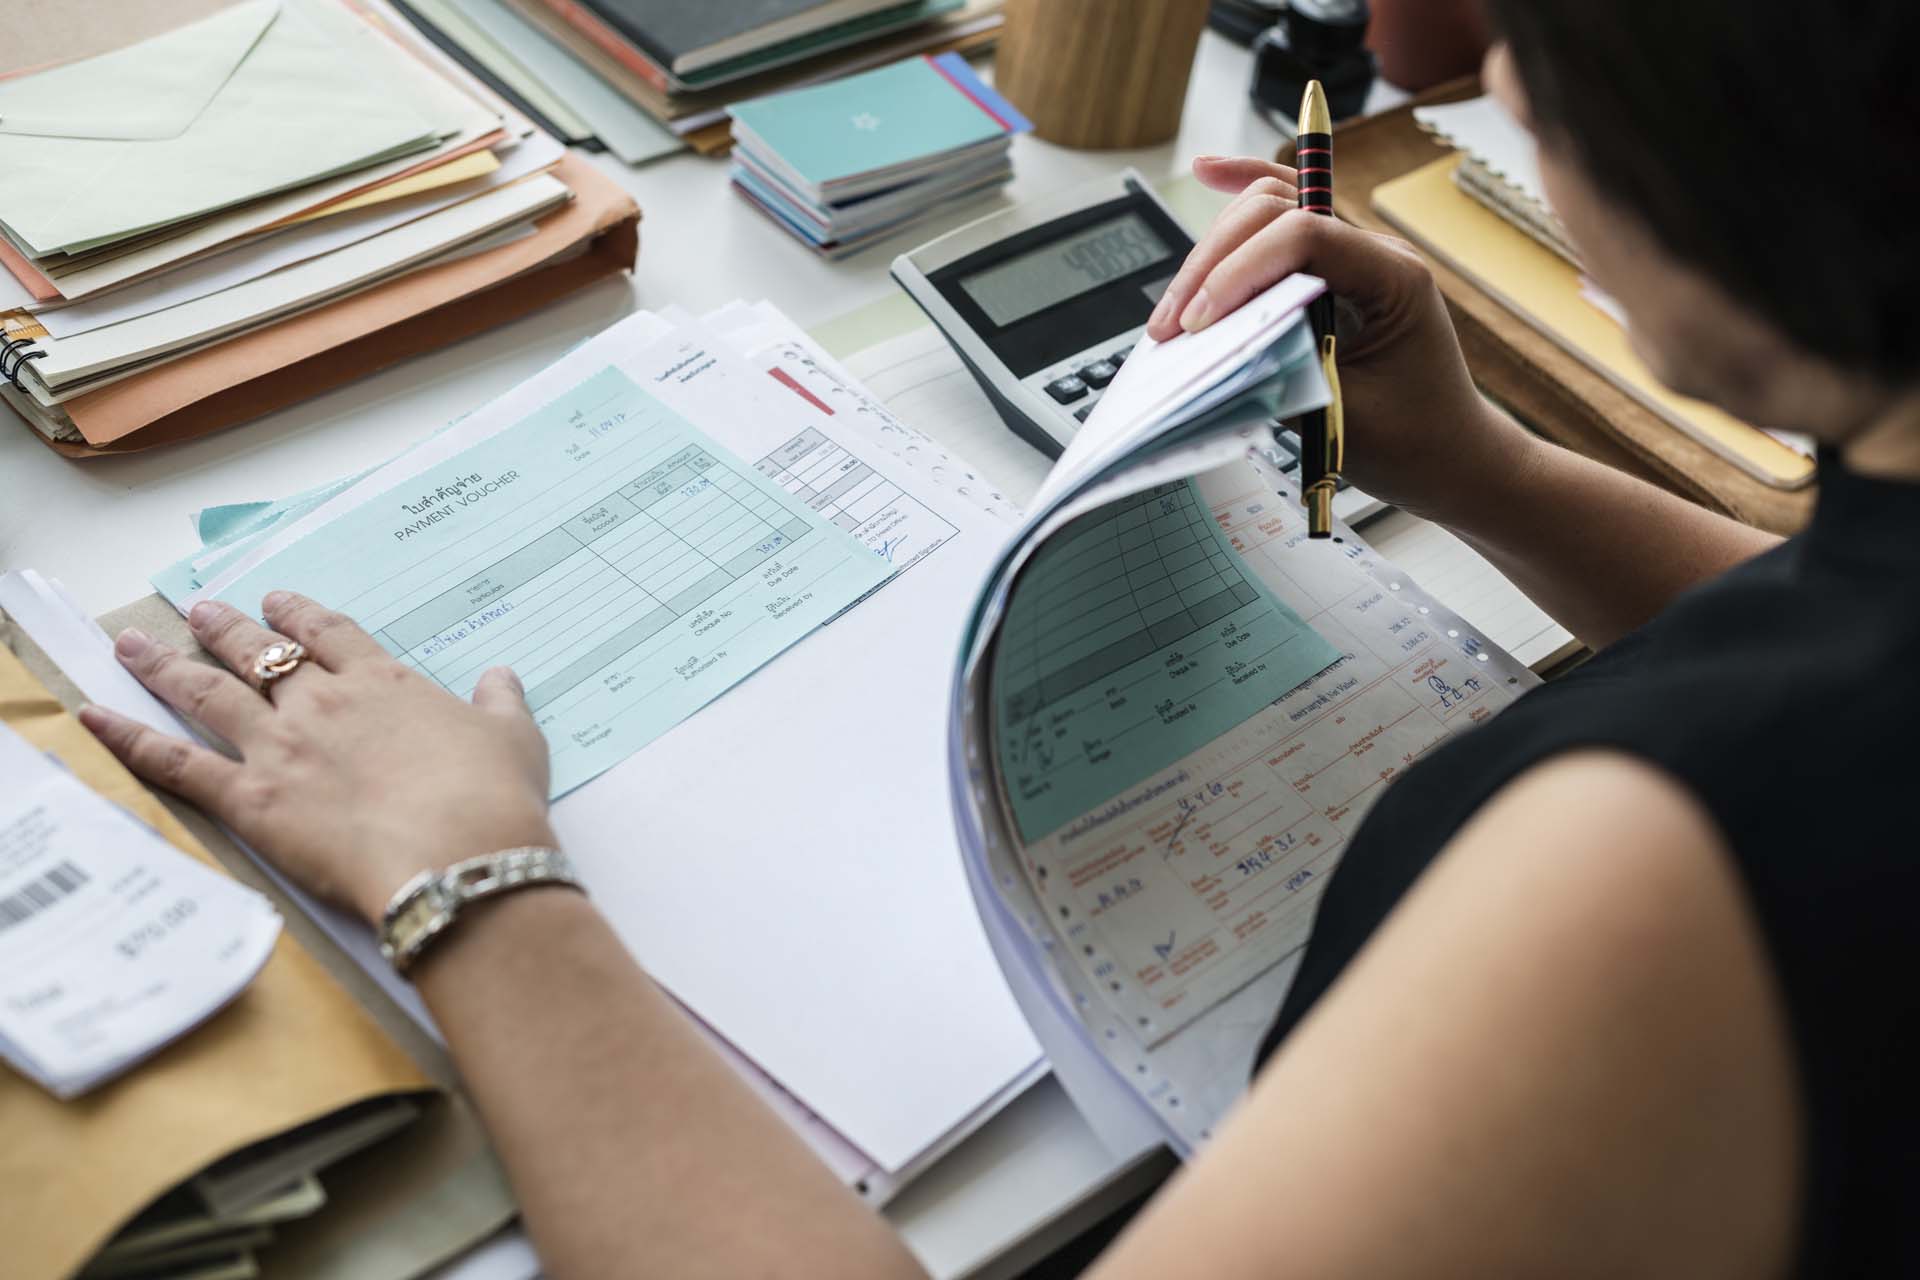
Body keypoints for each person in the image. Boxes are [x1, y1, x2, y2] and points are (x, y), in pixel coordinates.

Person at [78, 1, 1918, 1273]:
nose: (1445, 65)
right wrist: (1481, 466)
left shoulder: (1666, 864)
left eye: (1534, 55)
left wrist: (474, 889)